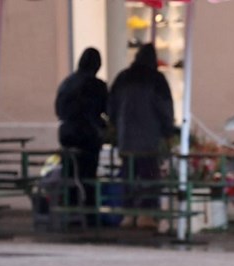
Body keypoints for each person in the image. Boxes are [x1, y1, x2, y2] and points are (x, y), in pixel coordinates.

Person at [108, 43, 174, 229]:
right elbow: (164, 108)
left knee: (128, 176)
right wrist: (168, 130)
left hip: (126, 139)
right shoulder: (157, 80)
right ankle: (147, 215)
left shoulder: (123, 77)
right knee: (149, 177)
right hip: (149, 140)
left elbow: (111, 107)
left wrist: (116, 127)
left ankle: (128, 214)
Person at [54, 47, 108, 222]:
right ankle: (90, 215)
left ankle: (69, 212)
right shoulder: (96, 85)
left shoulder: (67, 82)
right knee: (88, 176)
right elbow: (107, 110)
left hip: (66, 133)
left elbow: (58, 110)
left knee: (69, 173)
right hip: (87, 135)